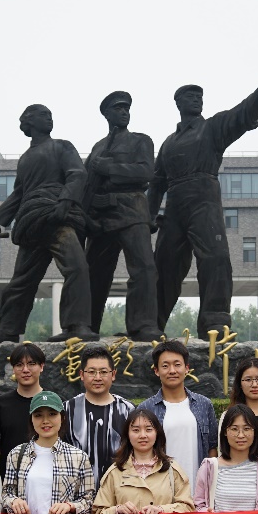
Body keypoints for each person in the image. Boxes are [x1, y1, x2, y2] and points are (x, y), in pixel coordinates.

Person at [149, 63, 258, 338]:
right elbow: (156, 183)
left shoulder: (212, 128)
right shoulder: (168, 143)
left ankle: (215, 321)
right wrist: (148, 216)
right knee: (164, 266)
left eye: (200, 97)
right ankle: (152, 323)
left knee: (215, 258)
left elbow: (244, 113)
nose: (197, 100)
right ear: (178, 104)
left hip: (204, 199)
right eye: (191, 97)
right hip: (175, 205)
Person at [0, 104, 98, 343]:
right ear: (29, 122)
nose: (50, 119)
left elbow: (77, 174)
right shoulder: (25, 159)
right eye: (44, 115)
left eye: (50, 115)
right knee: (22, 279)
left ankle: (76, 325)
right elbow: (19, 194)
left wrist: (65, 201)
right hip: (32, 222)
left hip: (58, 217)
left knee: (77, 267)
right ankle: (7, 329)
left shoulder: (62, 146)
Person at [82, 91, 164, 341]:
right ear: (107, 114)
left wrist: (109, 167)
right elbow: (86, 184)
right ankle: (87, 326)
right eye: (118, 109)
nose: (124, 112)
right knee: (93, 273)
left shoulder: (141, 141)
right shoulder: (97, 148)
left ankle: (143, 325)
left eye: (126, 108)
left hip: (132, 209)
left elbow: (146, 173)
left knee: (144, 268)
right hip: (101, 216)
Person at [138, 340, 216, 483]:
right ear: (156, 371)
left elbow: (212, 447)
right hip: (161, 489)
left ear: (186, 368)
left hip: (198, 488)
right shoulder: (146, 409)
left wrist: (210, 483)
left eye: (177, 364)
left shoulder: (204, 405)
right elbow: (138, 451)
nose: (172, 371)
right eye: (165, 366)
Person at [63, 345, 135, 487]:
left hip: (118, 492)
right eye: (91, 372)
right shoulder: (67, 410)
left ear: (113, 374)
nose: (97, 378)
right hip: (77, 493)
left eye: (103, 372)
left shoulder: (127, 410)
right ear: (81, 374)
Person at [0, 343, 46, 476]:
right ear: (13, 369)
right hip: (9, 478)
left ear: (42, 366)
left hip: (46, 477)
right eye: (19, 365)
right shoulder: (0, 404)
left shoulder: (54, 403)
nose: (25, 370)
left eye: (31, 364)